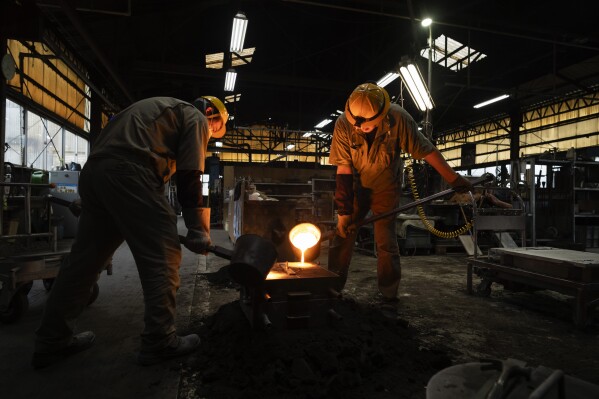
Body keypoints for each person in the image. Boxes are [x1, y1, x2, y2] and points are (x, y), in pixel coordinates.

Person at [32, 96, 228, 368]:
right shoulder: (195, 117)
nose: (210, 135)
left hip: (96, 172)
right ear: (210, 113)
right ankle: (160, 341)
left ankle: (51, 341)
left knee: (83, 264)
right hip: (130, 172)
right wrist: (197, 228)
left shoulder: (153, 111)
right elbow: (190, 174)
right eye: (215, 129)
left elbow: (109, 155)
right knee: (163, 254)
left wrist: (91, 200)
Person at [328, 82, 472, 316]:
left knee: (385, 239)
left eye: (367, 124)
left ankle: (388, 293)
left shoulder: (399, 119)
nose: (360, 127)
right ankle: (331, 288)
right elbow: (343, 169)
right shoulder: (344, 123)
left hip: (387, 186)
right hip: (356, 186)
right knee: (342, 235)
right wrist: (344, 213)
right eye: (357, 123)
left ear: (381, 115)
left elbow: (426, 150)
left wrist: (453, 179)